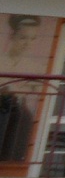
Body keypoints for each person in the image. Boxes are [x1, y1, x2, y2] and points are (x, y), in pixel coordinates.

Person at [1, 15, 41, 162]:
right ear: (12, 36)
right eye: (23, 38)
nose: (27, 44)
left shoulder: (35, 67)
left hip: (17, 115)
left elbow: (37, 91)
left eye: (32, 39)